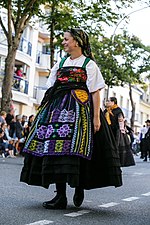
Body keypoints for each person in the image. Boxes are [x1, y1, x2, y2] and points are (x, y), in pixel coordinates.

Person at [20, 28, 122, 210]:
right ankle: (60, 196)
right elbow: (51, 86)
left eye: (66, 39)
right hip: (57, 108)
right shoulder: (61, 62)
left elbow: (95, 92)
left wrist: (96, 118)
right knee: (55, 149)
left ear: (77, 42)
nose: (64, 42)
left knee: (78, 147)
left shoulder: (89, 64)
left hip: (81, 110)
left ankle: (79, 185)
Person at [104, 97, 135, 167]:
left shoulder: (118, 110)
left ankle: (118, 162)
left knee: (117, 147)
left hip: (117, 132)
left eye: (108, 101)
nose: (107, 102)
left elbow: (121, 121)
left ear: (113, 102)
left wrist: (122, 131)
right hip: (108, 131)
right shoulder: (106, 111)